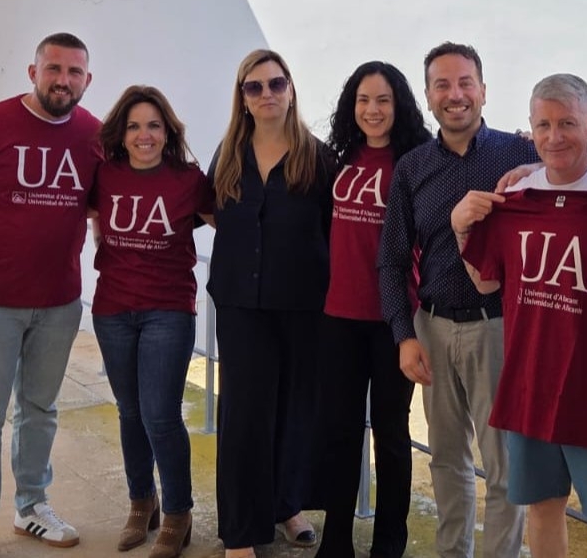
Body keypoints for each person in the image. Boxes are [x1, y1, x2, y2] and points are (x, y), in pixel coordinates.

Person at [452, 73, 587, 558]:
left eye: (566, 123)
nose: (554, 136)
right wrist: (461, 231)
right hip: (531, 373)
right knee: (542, 506)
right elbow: (485, 282)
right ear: (530, 128)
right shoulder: (519, 196)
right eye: (543, 125)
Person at [0, 32, 101, 558]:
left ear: (87, 81)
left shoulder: (94, 136)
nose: (63, 80)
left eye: (74, 72)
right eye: (53, 68)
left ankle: (32, 507)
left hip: (58, 303)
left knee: (39, 408)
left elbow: (105, 212)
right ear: (33, 72)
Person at [378, 42, 537, 558]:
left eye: (465, 82)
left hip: (498, 327)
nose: (455, 95)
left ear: (484, 90)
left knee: (504, 463)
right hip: (433, 327)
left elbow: (579, 174)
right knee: (447, 460)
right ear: (427, 97)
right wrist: (404, 336)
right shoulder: (412, 168)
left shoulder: (522, 155)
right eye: (442, 85)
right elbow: (391, 260)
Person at [207, 49, 336, 558]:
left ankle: (286, 506)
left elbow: (335, 230)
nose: (267, 94)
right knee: (243, 417)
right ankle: (241, 531)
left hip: (304, 305)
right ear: (242, 97)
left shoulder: (319, 157)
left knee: (295, 410)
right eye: (255, 87)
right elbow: (212, 213)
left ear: (290, 90)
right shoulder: (228, 155)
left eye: (276, 84)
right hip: (241, 305)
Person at [315, 61, 432, 558]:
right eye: (363, 100)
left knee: (391, 434)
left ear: (398, 104)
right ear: (351, 106)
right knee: (339, 433)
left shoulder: (417, 162)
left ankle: (389, 543)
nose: (373, 110)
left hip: (394, 321)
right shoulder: (338, 160)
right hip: (338, 317)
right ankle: (336, 540)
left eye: (382, 100)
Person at [90, 85, 213, 557]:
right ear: (122, 133)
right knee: (130, 412)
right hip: (113, 309)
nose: (145, 135)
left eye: (154, 125)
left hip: (168, 310)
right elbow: (81, 216)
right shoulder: (104, 174)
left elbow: (230, 220)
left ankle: (179, 513)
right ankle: (142, 503)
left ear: (168, 132)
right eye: (135, 126)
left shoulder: (188, 179)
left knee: (161, 415)